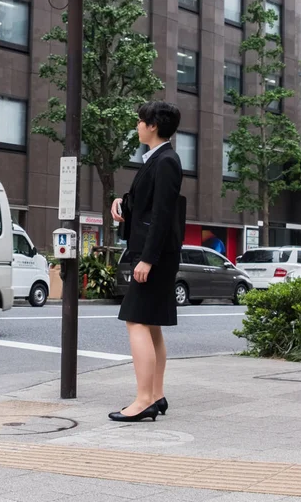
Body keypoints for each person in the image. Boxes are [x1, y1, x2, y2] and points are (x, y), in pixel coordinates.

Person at [109, 100, 184, 423]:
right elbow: (149, 207)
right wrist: (122, 203)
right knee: (150, 324)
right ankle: (155, 395)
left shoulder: (165, 161)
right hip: (155, 256)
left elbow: (163, 215)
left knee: (136, 320)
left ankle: (143, 400)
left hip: (154, 257)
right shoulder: (158, 159)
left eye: (140, 121)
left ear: (152, 125)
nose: (137, 126)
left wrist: (148, 260)